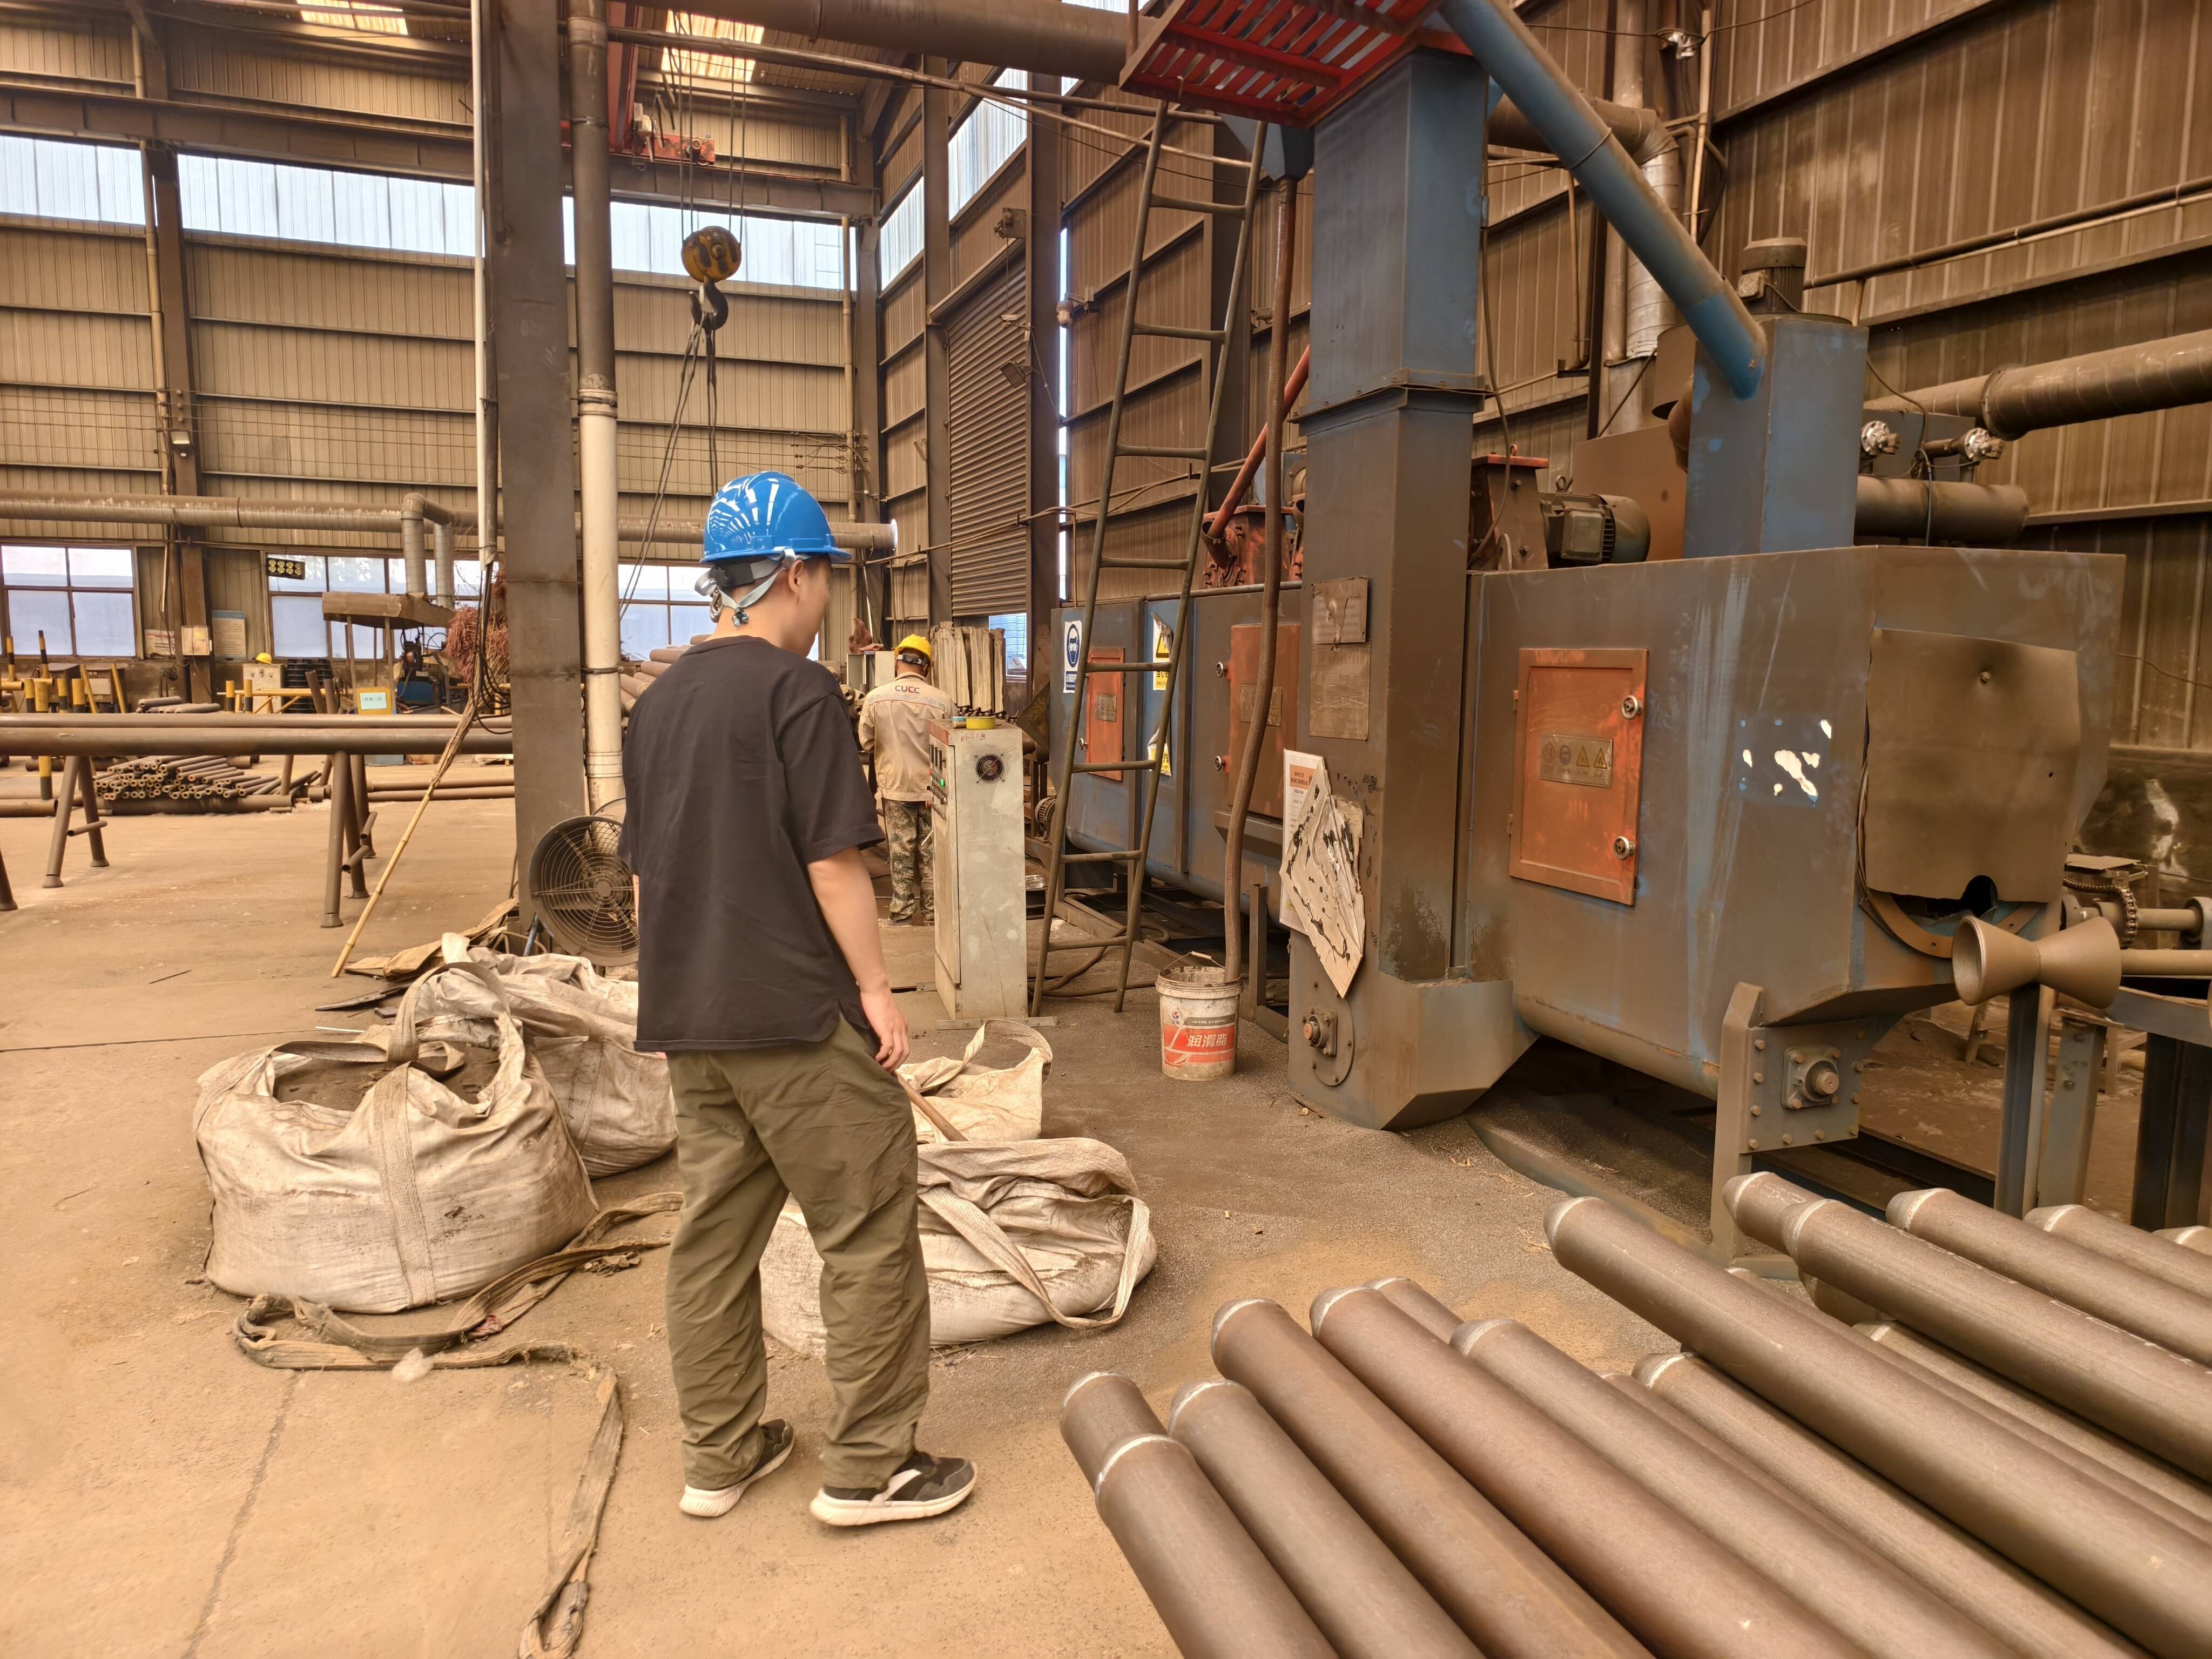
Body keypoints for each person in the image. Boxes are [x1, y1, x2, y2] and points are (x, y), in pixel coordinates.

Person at [618, 471, 975, 1529]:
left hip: (693, 1022)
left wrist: (670, 986)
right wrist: (875, 992)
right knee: (865, 1232)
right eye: (824, 577)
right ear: (793, 576)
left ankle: (719, 1455)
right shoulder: (801, 694)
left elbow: (643, 878)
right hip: (794, 1018)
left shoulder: (658, 703)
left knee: (713, 1242)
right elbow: (833, 865)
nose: (826, 599)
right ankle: (870, 1468)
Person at [855, 634, 955, 926]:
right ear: (927, 667)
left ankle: (902, 916)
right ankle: (935, 917)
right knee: (932, 855)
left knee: (900, 854)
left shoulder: (876, 698)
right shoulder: (942, 701)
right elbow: (954, 746)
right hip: (935, 790)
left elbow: (867, 742)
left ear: (897, 662)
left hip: (896, 788)